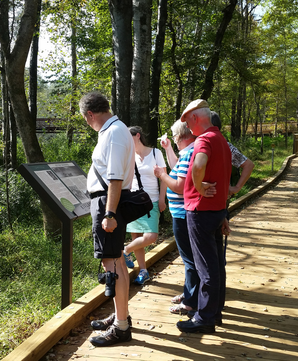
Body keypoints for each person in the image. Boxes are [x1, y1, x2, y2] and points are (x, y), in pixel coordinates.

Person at [81, 92, 134, 347]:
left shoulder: (113, 132)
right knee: (117, 261)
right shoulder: (116, 130)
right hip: (107, 201)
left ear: (90, 114)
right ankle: (120, 315)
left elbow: (114, 178)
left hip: (107, 203)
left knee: (111, 265)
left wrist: (109, 214)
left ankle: (121, 327)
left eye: (86, 119)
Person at [176, 99, 232, 334]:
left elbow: (199, 165)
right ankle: (213, 312)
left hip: (200, 211)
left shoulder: (205, 140)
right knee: (216, 264)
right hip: (216, 210)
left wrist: (197, 187)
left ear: (196, 118)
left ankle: (205, 318)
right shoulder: (221, 140)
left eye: (188, 122)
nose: (188, 128)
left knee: (205, 268)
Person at [153, 120, 198, 315]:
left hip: (184, 214)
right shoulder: (188, 152)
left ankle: (190, 301)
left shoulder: (190, 152)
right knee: (190, 258)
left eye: (175, 137)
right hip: (183, 213)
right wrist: (168, 148)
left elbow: (179, 185)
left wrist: (161, 175)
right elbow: (176, 166)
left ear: (181, 136)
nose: (175, 140)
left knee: (189, 259)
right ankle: (189, 293)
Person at [122, 126, 167, 285]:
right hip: (134, 201)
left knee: (151, 236)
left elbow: (164, 178)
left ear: (138, 136)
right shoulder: (129, 156)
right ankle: (143, 271)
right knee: (136, 237)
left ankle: (125, 250)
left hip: (152, 201)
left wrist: (162, 199)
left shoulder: (156, 153)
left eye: (129, 137)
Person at [210, 111, 254, 197]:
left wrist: (237, 188)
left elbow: (249, 165)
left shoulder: (226, 146)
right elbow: (249, 165)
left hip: (219, 198)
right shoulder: (226, 145)